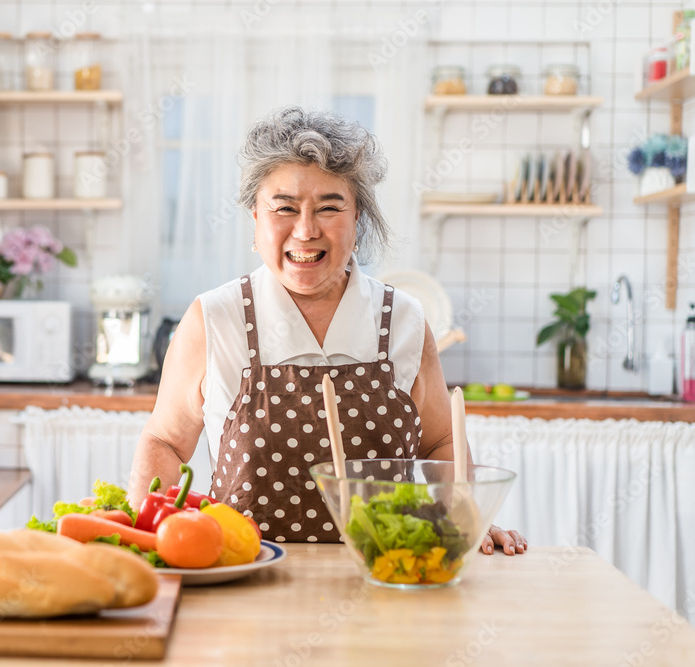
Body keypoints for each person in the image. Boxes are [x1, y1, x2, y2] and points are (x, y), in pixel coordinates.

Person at [128, 107, 526, 555]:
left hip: (382, 576)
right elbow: (164, 440)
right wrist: (151, 537)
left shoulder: (404, 320)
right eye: (284, 208)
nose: (305, 230)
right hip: (244, 580)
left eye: (329, 208)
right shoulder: (215, 319)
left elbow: (440, 440)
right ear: (255, 220)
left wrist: (464, 516)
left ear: (358, 221)